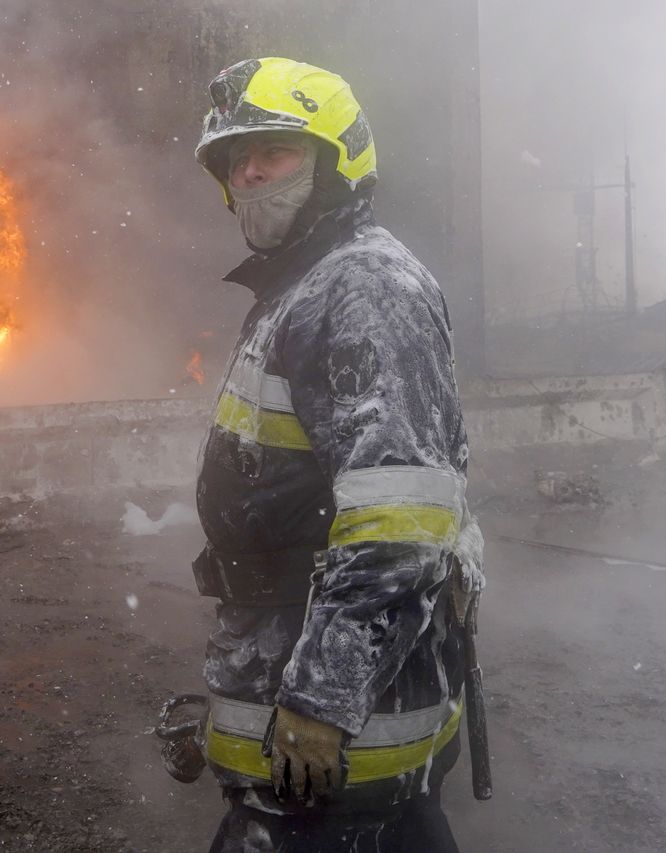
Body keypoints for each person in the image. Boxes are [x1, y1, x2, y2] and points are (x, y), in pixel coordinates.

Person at [188, 57, 482, 852]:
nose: (250, 172)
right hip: (307, 747)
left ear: (336, 160)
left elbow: (399, 524)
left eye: (275, 151)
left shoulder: (363, 288)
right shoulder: (306, 285)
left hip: (338, 766)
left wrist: (321, 698)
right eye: (236, 158)